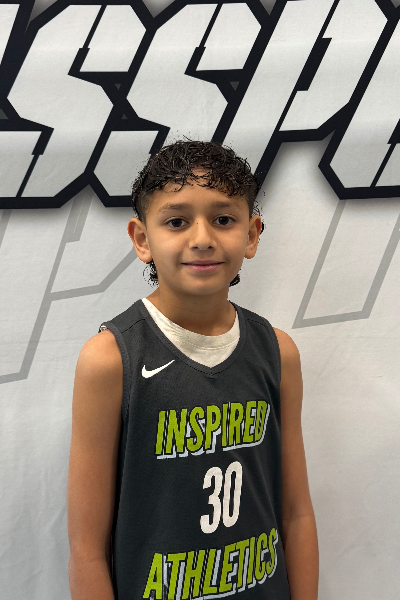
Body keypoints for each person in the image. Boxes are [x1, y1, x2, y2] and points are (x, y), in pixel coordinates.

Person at [67, 140, 318, 600]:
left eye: (223, 219)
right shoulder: (109, 360)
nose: (202, 238)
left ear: (252, 234)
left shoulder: (278, 352)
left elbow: (297, 512)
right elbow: (86, 549)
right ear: (142, 239)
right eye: (177, 221)